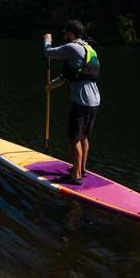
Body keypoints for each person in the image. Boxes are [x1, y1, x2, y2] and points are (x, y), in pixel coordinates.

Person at [43, 20, 100, 185]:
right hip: (94, 100)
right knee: (83, 137)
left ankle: (75, 177)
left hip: (81, 101)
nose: (64, 35)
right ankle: (81, 169)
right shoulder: (89, 48)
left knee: (73, 138)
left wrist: (47, 40)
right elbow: (70, 75)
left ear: (69, 33)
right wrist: (51, 86)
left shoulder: (72, 47)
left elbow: (48, 53)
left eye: (65, 32)